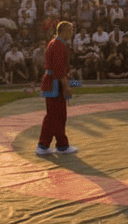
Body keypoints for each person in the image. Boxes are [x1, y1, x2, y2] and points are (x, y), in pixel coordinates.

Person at [36, 21, 78, 156]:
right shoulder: (59, 46)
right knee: (57, 115)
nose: (72, 33)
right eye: (70, 31)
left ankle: (51, 145)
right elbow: (59, 71)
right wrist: (66, 87)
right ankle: (56, 145)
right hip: (55, 83)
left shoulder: (54, 43)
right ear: (64, 31)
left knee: (54, 115)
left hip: (52, 82)